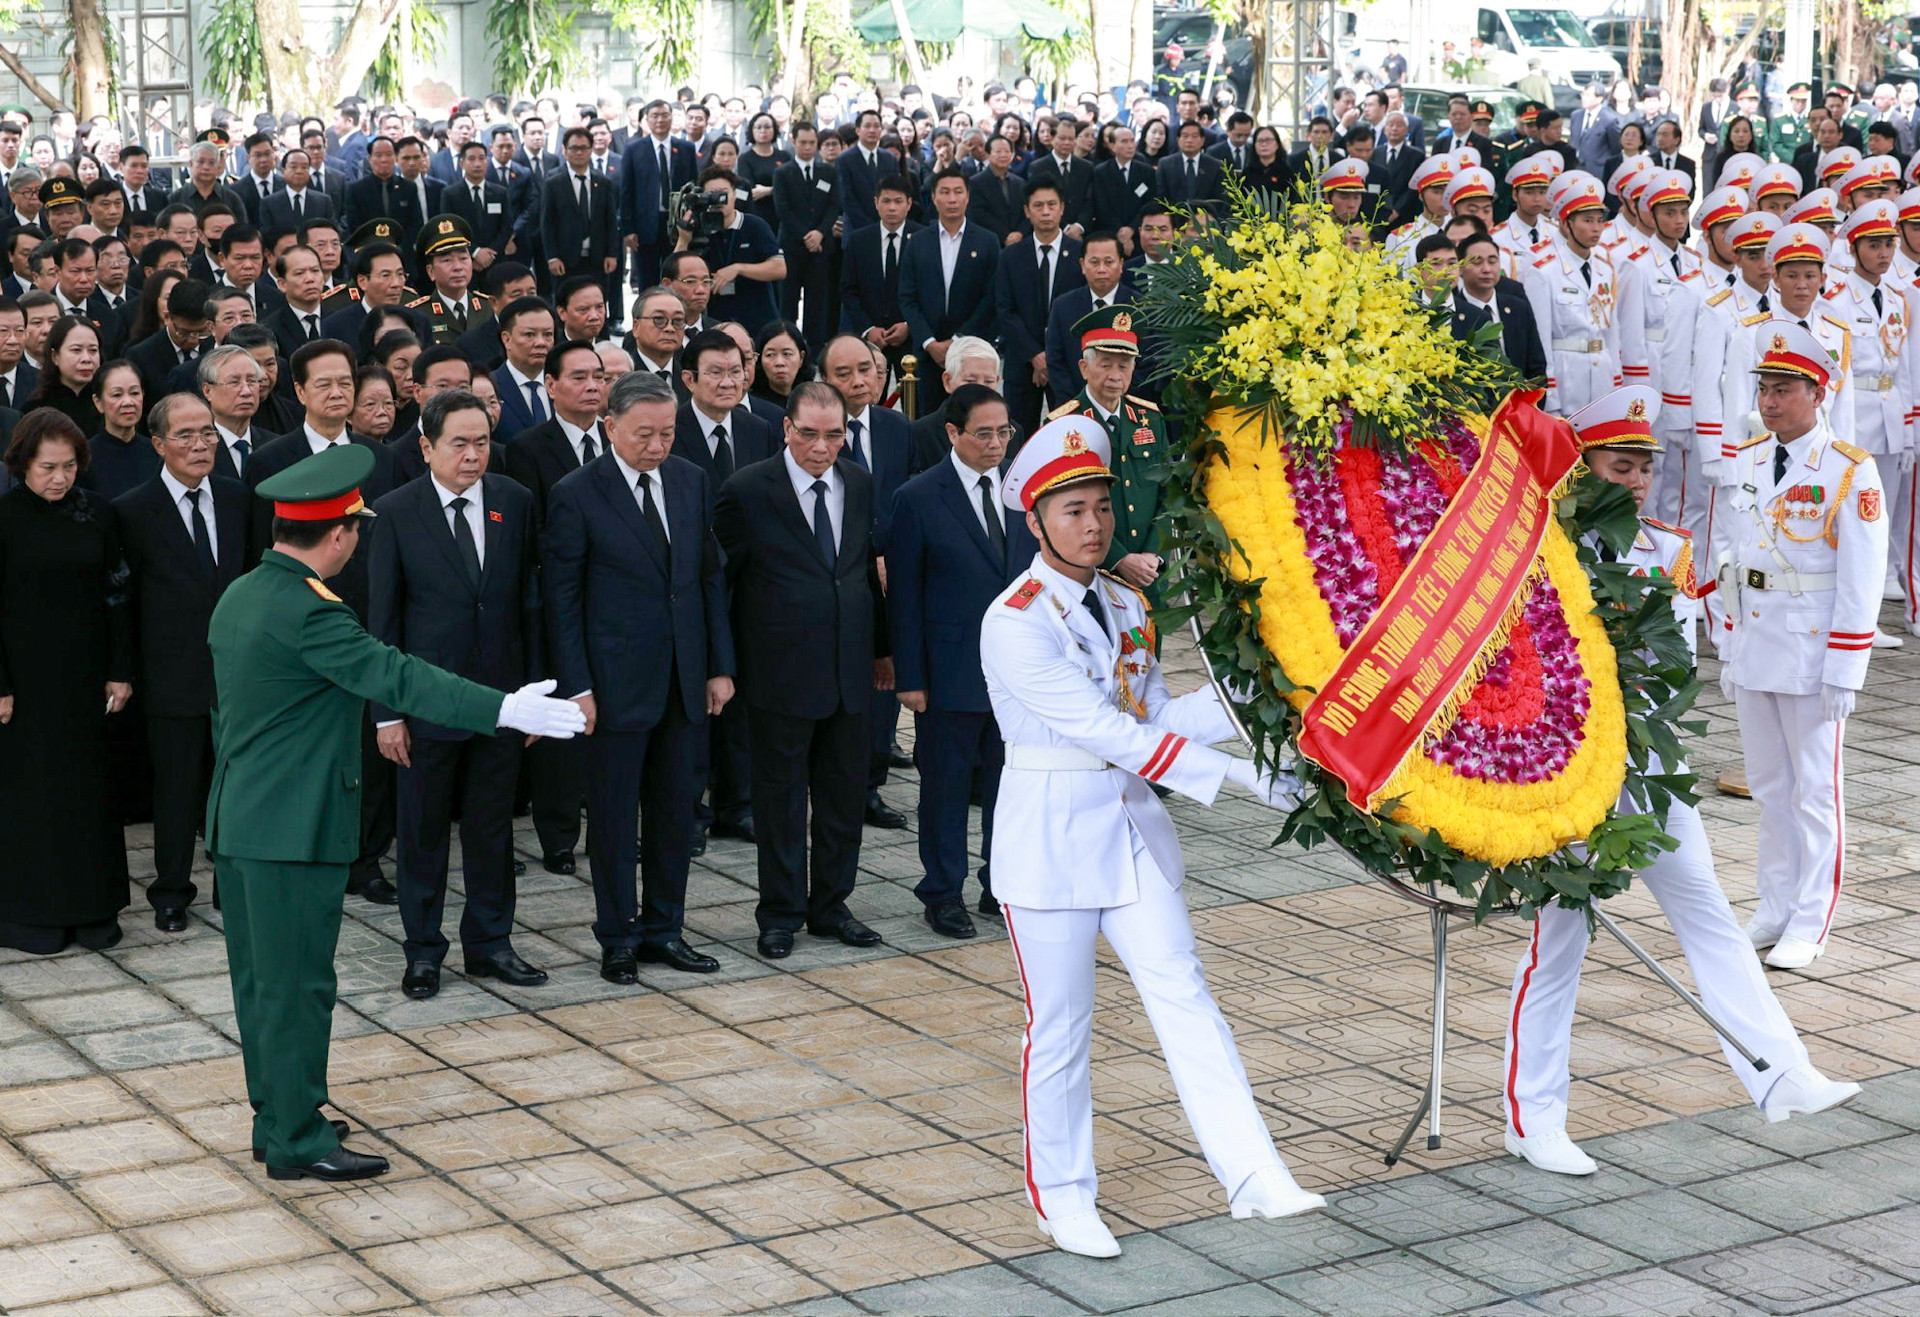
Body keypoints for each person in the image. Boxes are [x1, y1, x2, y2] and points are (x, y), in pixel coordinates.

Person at [982, 414, 1324, 1258]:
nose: (1093, 524)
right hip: (1052, 840)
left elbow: (1157, 713)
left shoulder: (1128, 601)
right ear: (1035, 521)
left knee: (1187, 996)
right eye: (1071, 511)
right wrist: (1242, 778)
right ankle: (1062, 1197)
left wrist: (1260, 692)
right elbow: (1109, 732)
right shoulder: (1016, 619)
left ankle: (1253, 1174)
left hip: (1131, 831)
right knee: (1059, 1027)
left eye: (1101, 505)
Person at [1503, 386, 1860, 1177]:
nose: (1633, 479)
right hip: (1573, 776)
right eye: (1617, 464)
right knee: (1559, 941)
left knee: (1711, 919)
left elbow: (1674, 669)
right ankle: (1534, 1116)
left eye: (1641, 468)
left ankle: (1781, 1074)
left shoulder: (1667, 549)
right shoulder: (1541, 551)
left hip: (1652, 771)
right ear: (1580, 465)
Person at [207, 443, 583, 1181]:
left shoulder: (245, 593)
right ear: (341, 532)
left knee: (262, 984)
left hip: (244, 819)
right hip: (291, 828)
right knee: (298, 988)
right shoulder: (313, 614)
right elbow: (398, 674)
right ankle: (295, 1138)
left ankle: (277, 1113)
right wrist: (504, 706)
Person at [545, 370, 735, 981]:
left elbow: (707, 578)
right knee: (613, 817)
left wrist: (718, 667)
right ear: (611, 428)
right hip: (612, 684)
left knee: (676, 813)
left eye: (668, 433)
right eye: (644, 435)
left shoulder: (690, 480)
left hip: (683, 678)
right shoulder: (577, 492)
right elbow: (562, 599)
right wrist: (578, 685)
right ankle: (617, 936)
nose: (657, 446)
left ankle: (665, 929)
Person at [1714, 323, 1889, 969]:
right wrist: (1730, 645)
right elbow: (1735, 557)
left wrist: (1847, 665)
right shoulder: (1752, 456)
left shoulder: (1850, 468)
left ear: (1818, 393)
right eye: (1764, 388)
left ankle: (1810, 919)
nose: (1769, 401)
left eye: (1784, 389)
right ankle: (1774, 904)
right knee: (1767, 786)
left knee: (1815, 791)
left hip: (1813, 650)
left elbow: (1863, 576)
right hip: (1757, 641)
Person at [370, 389, 549, 1000]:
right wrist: (387, 712)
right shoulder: (393, 511)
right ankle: (423, 950)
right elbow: (382, 620)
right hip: (423, 705)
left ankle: (490, 943)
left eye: (482, 443)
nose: (474, 456)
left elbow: (530, 605)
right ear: (426, 447)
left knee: (493, 829)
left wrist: (531, 700)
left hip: (500, 701)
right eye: (459, 444)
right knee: (420, 834)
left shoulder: (515, 501)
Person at [714, 380, 889, 960]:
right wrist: (725, 665)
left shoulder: (859, 482)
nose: (821, 447)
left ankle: (832, 905)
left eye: (833, 434)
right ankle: (781, 912)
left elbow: (863, 573)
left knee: (843, 798)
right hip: (777, 674)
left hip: (848, 671)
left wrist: (883, 651)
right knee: (781, 801)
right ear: (786, 429)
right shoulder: (746, 489)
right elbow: (722, 583)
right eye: (809, 433)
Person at [888, 383, 1037, 937]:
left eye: (1004, 432)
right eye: (984, 433)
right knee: (946, 791)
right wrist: (911, 677)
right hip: (948, 672)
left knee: (1011, 789)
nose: (997, 443)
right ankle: (942, 892)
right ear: (953, 433)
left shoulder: (1024, 495)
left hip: (1016, 677)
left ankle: (999, 887)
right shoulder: (919, 497)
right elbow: (903, 596)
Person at [0, 409, 133, 954]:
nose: (60, 478)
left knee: (88, 795)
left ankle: (92, 908)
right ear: (23, 465)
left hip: (87, 680)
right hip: (24, 685)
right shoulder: (3, 518)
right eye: (48, 467)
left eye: (69, 466)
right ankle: (32, 915)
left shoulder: (98, 513)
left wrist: (121, 671)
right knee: (32, 796)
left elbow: (119, 595)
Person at [113, 392, 246, 931]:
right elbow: (124, 603)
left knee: (235, 787)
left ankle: (233, 888)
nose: (200, 445)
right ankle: (171, 891)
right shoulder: (132, 509)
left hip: (236, 676)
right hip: (170, 673)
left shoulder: (240, 499)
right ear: (159, 443)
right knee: (175, 788)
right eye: (186, 435)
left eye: (208, 434)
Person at [1046, 305, 1168, 604]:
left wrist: (1152, 554)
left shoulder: (1149, 419)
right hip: (1090, 573)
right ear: (1084, 367)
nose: (1115, 375)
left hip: (1147, 575)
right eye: (1106, 364)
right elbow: (1062, 505)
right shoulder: (1064, 426)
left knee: (1148, 650)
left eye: (1124, 365)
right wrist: (1119, 559)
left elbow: (1169, 492)